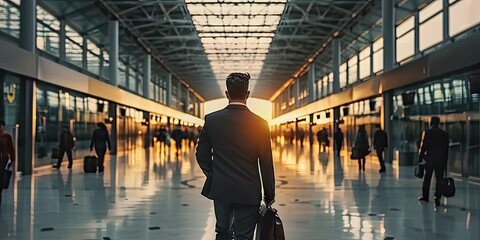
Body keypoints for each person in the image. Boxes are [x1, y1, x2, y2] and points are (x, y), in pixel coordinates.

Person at [196, 72, 275, 240]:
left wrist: (214, 174)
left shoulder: (212, 120)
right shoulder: (260, 124)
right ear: (247, 94)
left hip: (221, 188)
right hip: (249, 190)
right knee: (244, 236)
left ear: (227, 94)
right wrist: (269, 195)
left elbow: (201, 155)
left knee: (223, 232)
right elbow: (266, 163)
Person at [418, 116, 449, 207]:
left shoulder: (427, 133)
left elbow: (423, 147)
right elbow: (446, 149)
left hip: (430, 159)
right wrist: (445, 162)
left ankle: (425, 196)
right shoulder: (444, 134)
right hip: (440, 160)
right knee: (439, 179)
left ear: (431, 123)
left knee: (427, 177)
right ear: (438, 123)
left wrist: (420, 158)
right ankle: (437, 197)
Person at [0, 120, 15, 206]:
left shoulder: (6, 137)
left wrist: (12, 160)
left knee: (2, 181)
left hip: (4, 161)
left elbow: (11, 148)